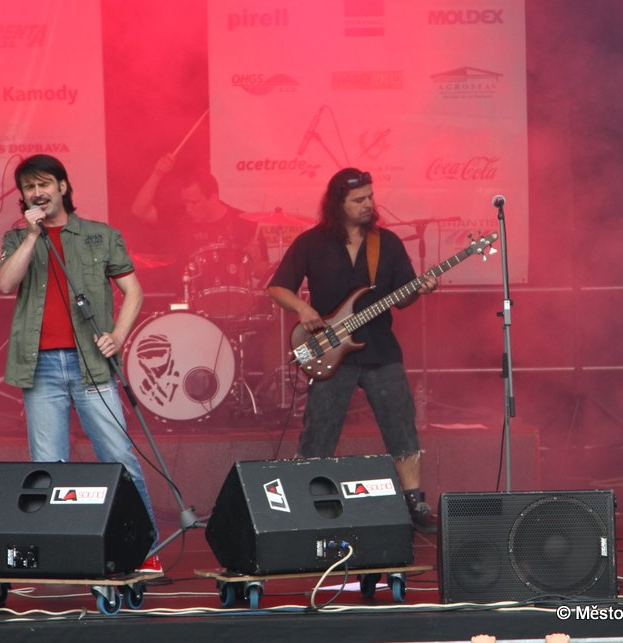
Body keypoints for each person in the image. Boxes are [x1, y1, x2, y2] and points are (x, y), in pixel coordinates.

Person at [0, 154, 161, 572]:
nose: (37, 192)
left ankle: (144, 552)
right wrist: (32, 236)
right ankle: (61, 554)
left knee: (118, 457)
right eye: (29, 187)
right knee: (48, 466)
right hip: (40, 368)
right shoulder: (17, 239)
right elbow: (6, 283)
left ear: (63, 187)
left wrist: (118, 336)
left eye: (44, 184)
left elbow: (134, 292)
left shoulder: (99, 235)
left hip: (91, 363)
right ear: (23, 197)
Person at [266, 168, 439, 533]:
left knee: (401, 426)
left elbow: (403, 298)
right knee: (319, 431)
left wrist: (420, 289)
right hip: (329, 351)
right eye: (358, 200)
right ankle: (309, 502)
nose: (368, 204)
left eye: (370, 197)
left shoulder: (386, 243)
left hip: (380, 349)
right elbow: (277, 287)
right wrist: (303, 308)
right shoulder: (312, 242)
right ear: (338, 203)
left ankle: (413, 501)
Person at [131, 153, 269, 301]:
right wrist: (157, 173)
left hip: (233, 303)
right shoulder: (181, 216)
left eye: (194, 202)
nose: (188, 209)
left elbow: (261, 272)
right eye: (185, 202)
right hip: (189, 301)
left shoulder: (245, 223)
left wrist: (255, 261)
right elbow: (139, 210)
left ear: (213, 198)